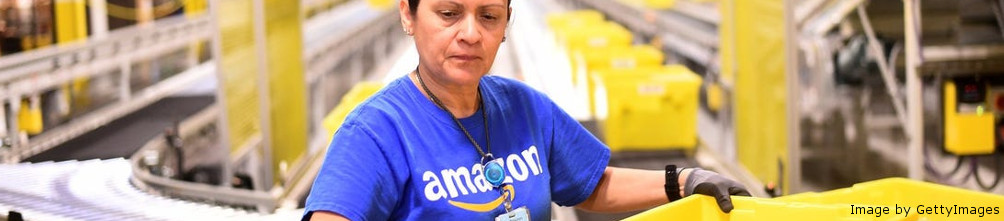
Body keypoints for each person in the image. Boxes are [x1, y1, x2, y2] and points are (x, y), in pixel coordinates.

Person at [303, 0, 750, 220]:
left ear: (506, 25)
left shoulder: (522, 107)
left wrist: (683, 180)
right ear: (408, 15)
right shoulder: (376, 132)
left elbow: (591, 182)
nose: (471, 34)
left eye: (489, 17)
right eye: (449, 13)